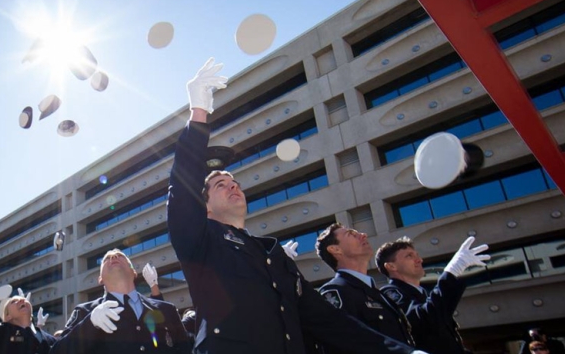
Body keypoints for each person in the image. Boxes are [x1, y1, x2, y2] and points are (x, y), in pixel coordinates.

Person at [166, 57, 422, 354]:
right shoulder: (199, 240)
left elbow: (327, 321)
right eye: (220, 185)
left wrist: (406, 352)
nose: (233, 185)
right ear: (205, 207)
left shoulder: (272, 253)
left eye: (234, 182)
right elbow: (182, 188)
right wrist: (199, 112)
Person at [51, 249, 192, 354]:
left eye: (120, 256)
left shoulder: (167, 310)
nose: (113, 256)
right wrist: (89, 324)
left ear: (134, 273)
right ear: (100, 279)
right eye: (106, 259)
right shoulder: (84, 312)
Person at [376, 236, 489, 354]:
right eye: (409, 256)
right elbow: (426, 320)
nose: (419, 260)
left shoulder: (423, 294)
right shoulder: (390, 293)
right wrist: (452, 272)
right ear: (391, 266)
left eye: (417, 255)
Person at [314, 223, 414, 347]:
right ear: (335, 249)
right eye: (351, 234)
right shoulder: (336, 291)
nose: (363, 235)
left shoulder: (382, 296)